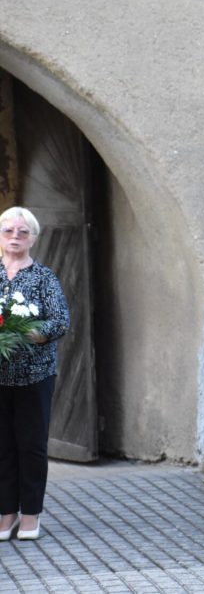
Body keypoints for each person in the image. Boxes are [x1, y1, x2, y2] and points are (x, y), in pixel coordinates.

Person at [0, 206, 69, 541]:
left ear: (33, 239)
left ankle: (30, 515)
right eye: (9, 231)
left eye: (23, 232)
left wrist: (23, 331)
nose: (15, 237)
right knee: (2, 446)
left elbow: (60, 322)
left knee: (31, 445)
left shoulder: (44, 278)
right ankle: (5, 514)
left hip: (34, 375)